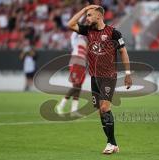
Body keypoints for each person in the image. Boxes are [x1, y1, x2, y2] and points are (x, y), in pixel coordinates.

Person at [67, 5, 132, 154]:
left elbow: (123, 52)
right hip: (94, 77)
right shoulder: (88, 31)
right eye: (87, 15)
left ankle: (110, 143)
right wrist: (83, 10)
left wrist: (128, 74)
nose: (87, 18)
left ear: (99, 16)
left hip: (109, 76)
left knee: (104, 108)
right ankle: (113, 144)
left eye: (89, 15)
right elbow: (70, 24)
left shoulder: (113, 33)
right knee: (100, 111)